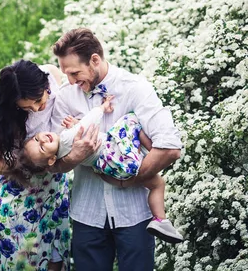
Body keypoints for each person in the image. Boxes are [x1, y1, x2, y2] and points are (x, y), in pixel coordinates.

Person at [47, 28, 183, 271]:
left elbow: (169, 146)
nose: (70, 81)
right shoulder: (66, 97)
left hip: (134, 215)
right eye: (66, 73)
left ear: (95, 60)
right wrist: (76, 154)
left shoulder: (135, 88)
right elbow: (54, 161)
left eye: (75, 72)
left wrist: (128, 180)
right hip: (86, 214)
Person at [15, 95, 184, 244]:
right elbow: (90, 121)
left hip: (112, 169)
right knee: (132, 122)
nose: (42, 140)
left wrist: (75, 125)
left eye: (37, 138)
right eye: (42, 148)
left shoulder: (62, 154)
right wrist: (103, 107)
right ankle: (153, 151)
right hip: (117, 153)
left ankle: (159, 218)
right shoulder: (66, 138)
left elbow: (76, 135)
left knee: (156, 184)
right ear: (51, 159)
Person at [0, 59, 99, 271]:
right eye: (27, 107)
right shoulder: (8, 117)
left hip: (54, 190)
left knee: (57, 260)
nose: (38, 108)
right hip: (20, 199)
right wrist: (24, 163)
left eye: (38, 99)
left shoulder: (53, 75)